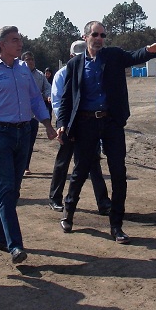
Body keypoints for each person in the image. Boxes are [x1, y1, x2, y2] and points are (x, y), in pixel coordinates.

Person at [56, 21, 156, 244]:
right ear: (85, 36)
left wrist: (150, 50)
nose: (99, 39)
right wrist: (62, 123)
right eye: (95, 34)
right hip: (85, 123)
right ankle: (68, 213)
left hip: (111, 123)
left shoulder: (114, 56)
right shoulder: (75, 64)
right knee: (80, 171)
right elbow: (67, 98)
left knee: (118, 173)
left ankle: (116, 225)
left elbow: (134, 56)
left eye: (103, 35)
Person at [0, 26, 58, 264]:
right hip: (0, 133)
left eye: (20, 39)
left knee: (14, 189)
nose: (20, 44)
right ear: (2, 44)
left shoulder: (23, 69)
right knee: (6, 187)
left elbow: (35, 99)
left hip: (23, 132)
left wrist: (47, 124)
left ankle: (0, 237)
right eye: (15, 40)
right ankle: (15, 245)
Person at [48, 40, 111, 215]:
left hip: (87, 124)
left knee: (93, 162)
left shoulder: (91, 72)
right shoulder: (62, 74)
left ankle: (103, 203)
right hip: (68, 125)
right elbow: (58, 102)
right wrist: (65, 125)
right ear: (71, 56)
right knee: (63, 161)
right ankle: (55, 198)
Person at [21, 51, 51, 175]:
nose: (30, 62)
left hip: (34, 115)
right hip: (19, 114)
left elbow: (47, 88)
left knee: (30, 142)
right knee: (20, 142)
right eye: (27, 59)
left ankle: (25, 166)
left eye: (32, 59)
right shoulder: (18, 73)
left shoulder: (40, 75)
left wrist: (48, 96)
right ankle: (18, 165)